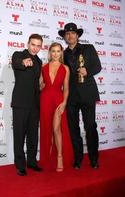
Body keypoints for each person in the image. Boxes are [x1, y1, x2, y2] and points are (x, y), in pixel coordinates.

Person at [58, 23, 102, 169]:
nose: (70, 35)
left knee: (90, 126)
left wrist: (87, 71)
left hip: (88, 94)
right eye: (67, 34)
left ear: (77, 35)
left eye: (73, 33)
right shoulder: (62, 54)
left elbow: (98, 66)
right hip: (71, 97)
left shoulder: (88, 48)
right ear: (65, 37)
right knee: (73, 129)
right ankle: (78, 158)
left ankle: (94, 158)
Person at [11, 34, 43, 176]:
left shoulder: (39, 61)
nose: (35, 48)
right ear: (28, 44)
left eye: (38, 45)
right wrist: (23, 62)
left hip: (34, 104)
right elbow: (16, 62)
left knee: (33, 135)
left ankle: (31, 161)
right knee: (19, 135)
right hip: (20, 103)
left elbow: (35, 82)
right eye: (33, 44)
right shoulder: (18, 55)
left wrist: (41, 86)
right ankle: (20, 165)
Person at [39, 42, 73, 172]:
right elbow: (40, 85)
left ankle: (59, 156)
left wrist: (64, 102)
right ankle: (47, 157)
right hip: (45, 99)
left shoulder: (65, 68)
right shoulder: (43, 67)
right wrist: (40, 85)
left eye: (58, 51)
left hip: (58, 100)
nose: (55, 54)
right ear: (49, 53)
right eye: (53, 51)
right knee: (47, 129)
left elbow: (66, 88)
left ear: (61, 53)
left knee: (56, 128)